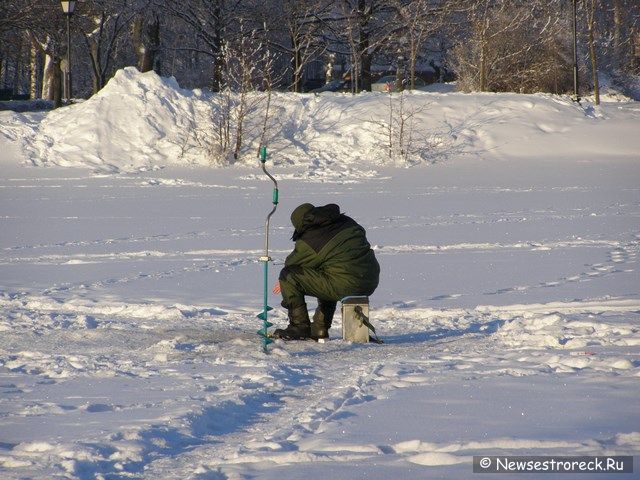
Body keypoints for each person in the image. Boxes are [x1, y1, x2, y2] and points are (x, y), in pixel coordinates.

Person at [272, 203, 380, 340]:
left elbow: (294, 264)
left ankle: (299, 327)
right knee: (327, 271)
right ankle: (319, 329)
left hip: (346, 283)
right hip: (369, 280)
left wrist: (283, 282)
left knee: (289, 275)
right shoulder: (345, 221)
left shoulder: (311, 239)